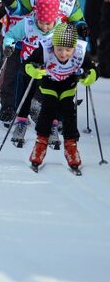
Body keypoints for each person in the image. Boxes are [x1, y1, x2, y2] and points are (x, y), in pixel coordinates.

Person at [24, 23, 95, 172]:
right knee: (47, 111)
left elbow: (93, 69)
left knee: (69, 114)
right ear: (53, 45)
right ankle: (40, 145)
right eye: (59, 49)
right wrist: (33, 70)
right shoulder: (45, 48)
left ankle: (71, 147)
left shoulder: (81, 51)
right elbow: (26, 63)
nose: (63, 54)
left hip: (68, 85)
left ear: (74, 48)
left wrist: (90, 76)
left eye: (68, 50)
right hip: (49, 83)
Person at [2, 0, 60, 147]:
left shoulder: (60, 28)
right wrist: (9, 46)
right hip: (28, 65)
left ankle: (52, 125)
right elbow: (11, 35)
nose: (45, 27)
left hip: (50, 68)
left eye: (49, 23)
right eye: (41, 22)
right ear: (36, 17)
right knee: (24, 94)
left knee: (51, 97)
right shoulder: (27, 24)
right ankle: (21, 122)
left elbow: (71, 45)